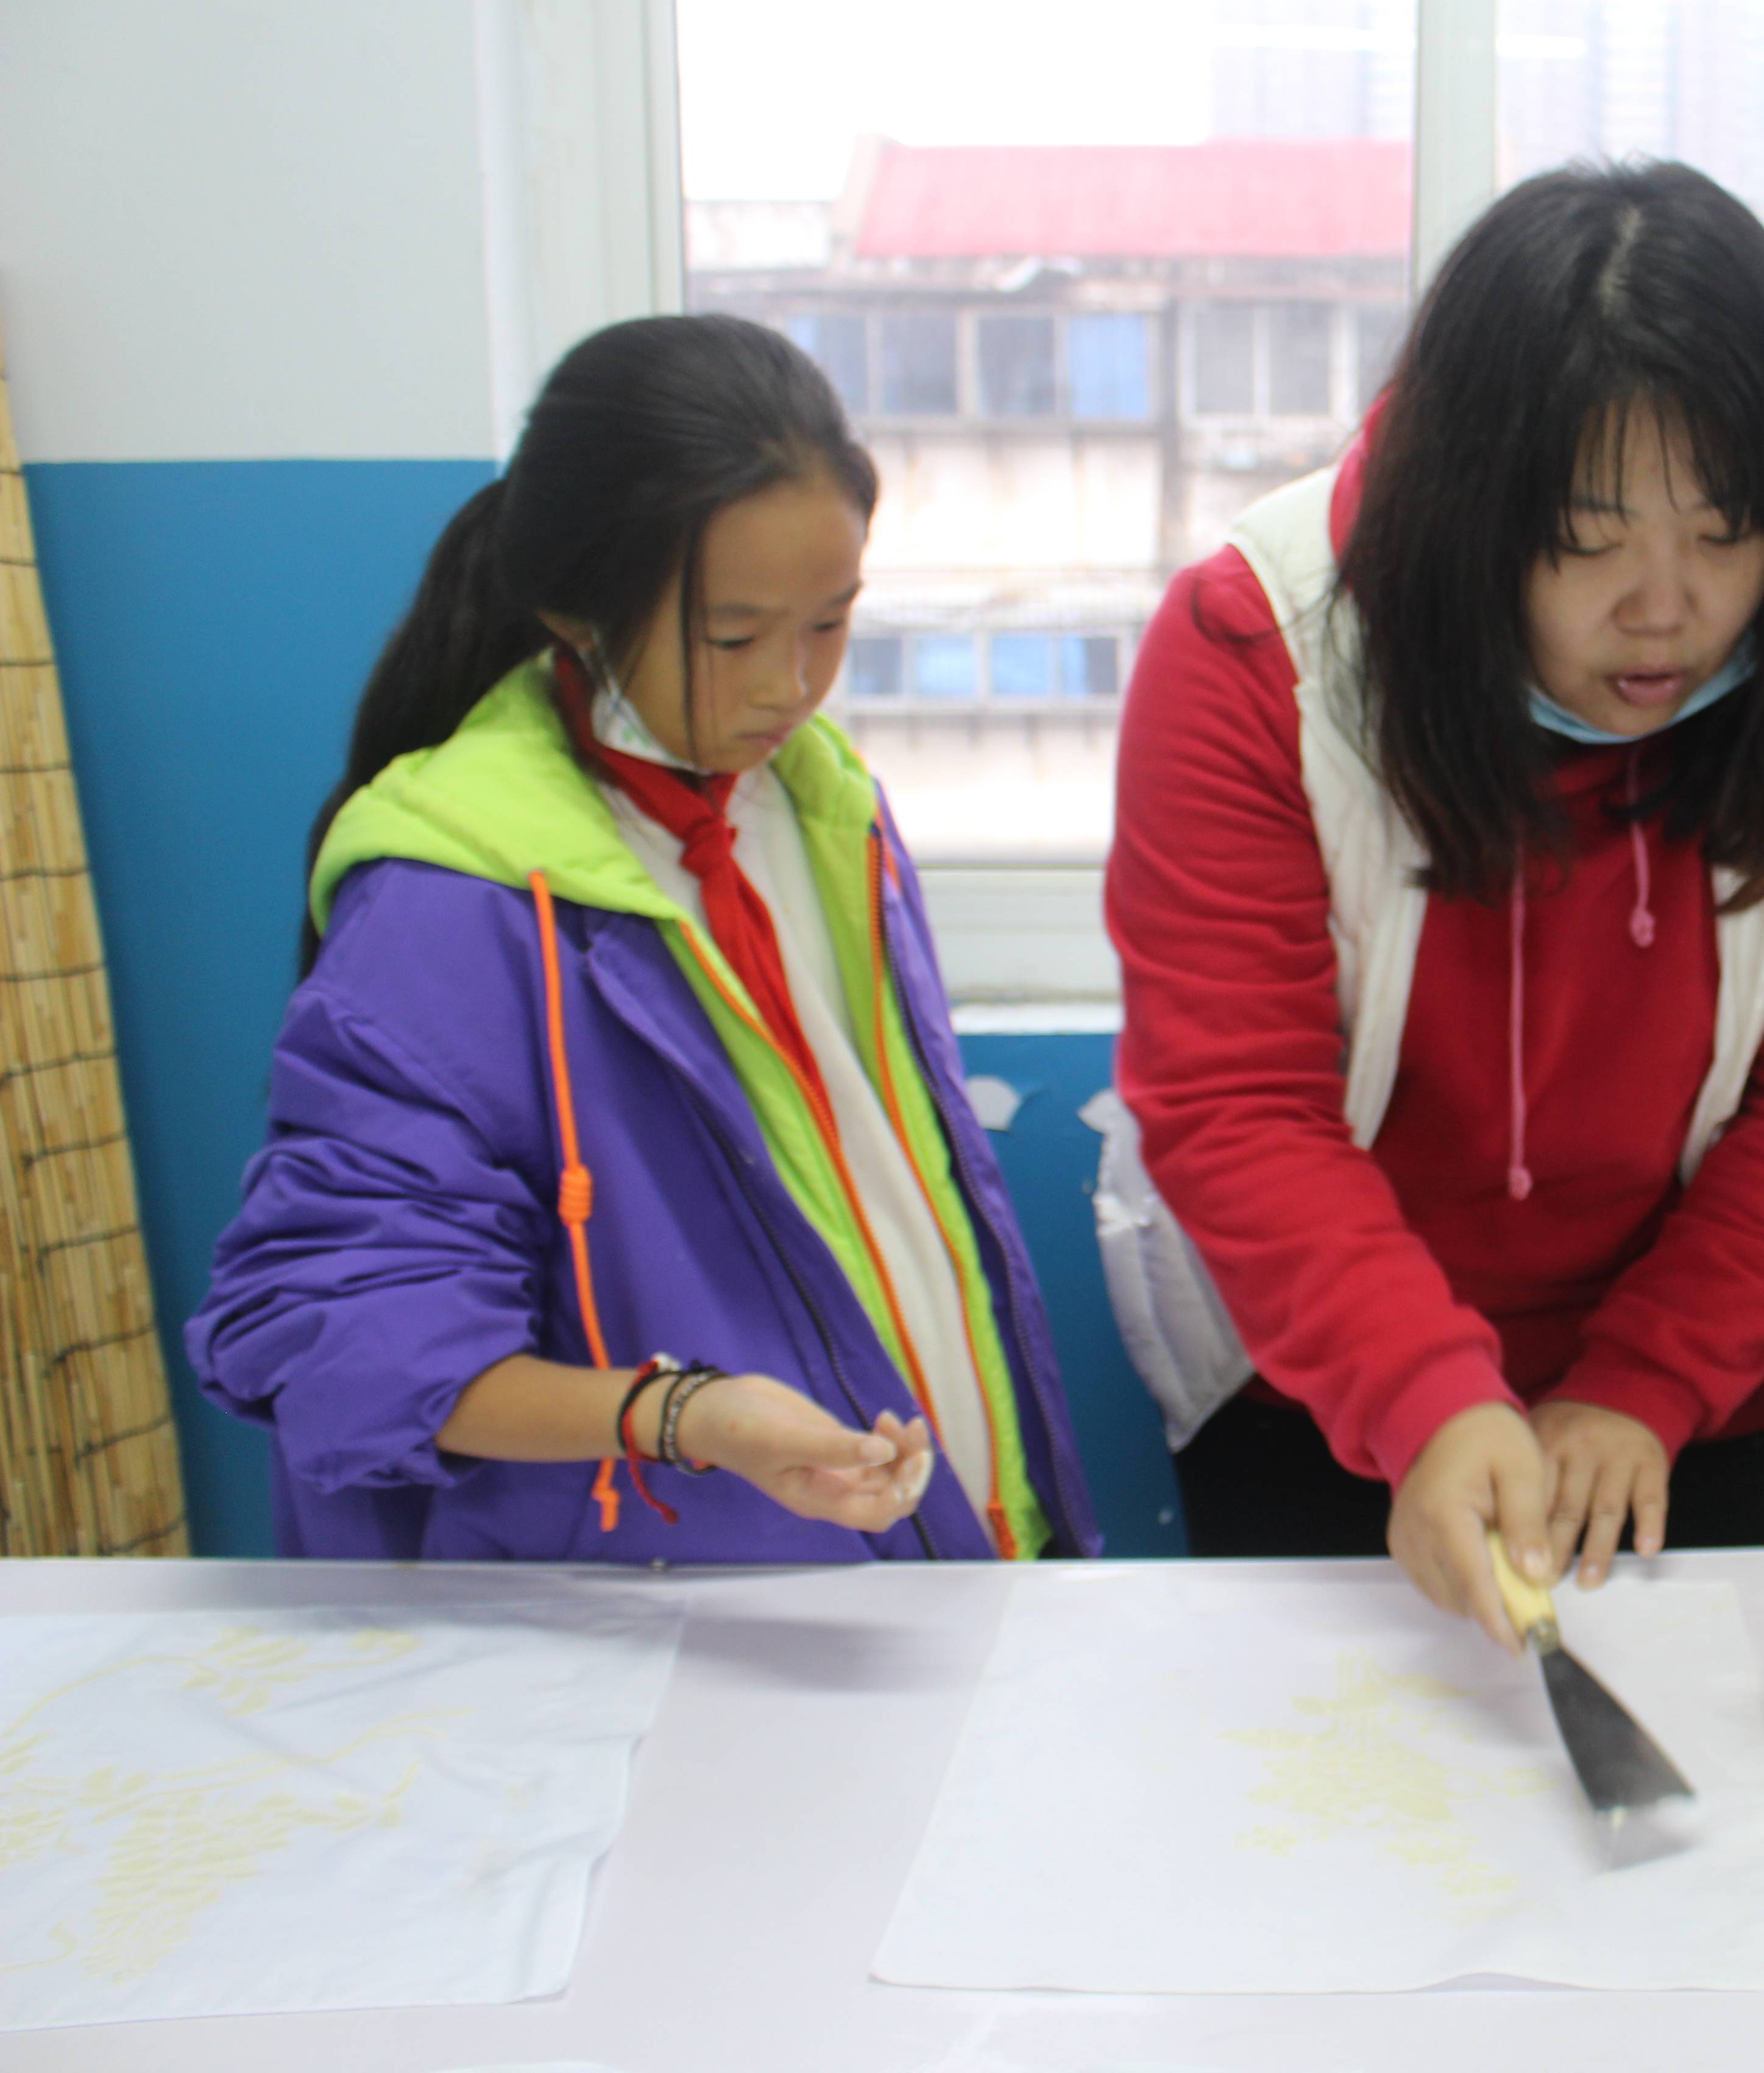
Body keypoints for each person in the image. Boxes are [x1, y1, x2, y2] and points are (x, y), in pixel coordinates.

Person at [1102, 161, 1764, 1645]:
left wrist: (1643, 1379)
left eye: (1725, 532)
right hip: (1318, 1381)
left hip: (1696, 1387)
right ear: (1466, 508)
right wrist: (1422, 1395)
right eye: (1585, 539)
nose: (1666, 609)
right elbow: (1240, 1104)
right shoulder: (1257, 649)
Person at [190, 314, 1101, 1563]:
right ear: (573, 609)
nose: (791, 684)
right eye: (732, 637)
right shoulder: (454, 901)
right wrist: (684, 1416)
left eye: (832, 623)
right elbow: (344, 1336)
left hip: (928, 1553)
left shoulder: (830, 809)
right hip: (658, 1619)